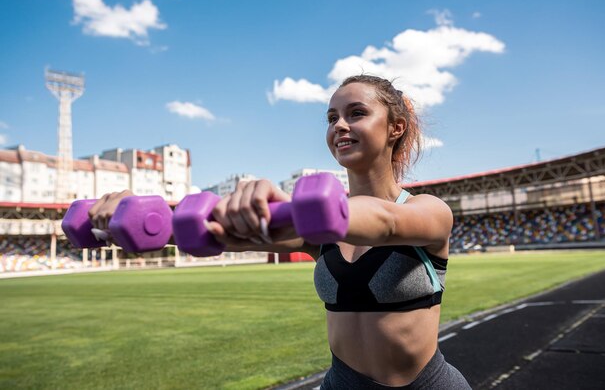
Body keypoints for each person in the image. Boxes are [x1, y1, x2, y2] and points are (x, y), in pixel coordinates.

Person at [88, 75, 470, 389]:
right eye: (331, 117)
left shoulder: (429, 212)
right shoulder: (314, 231)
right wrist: (131, 219)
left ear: (395, 128)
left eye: (356, 114)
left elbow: (385, 222)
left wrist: (296, 208)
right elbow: (220, 233)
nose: (340, 125)